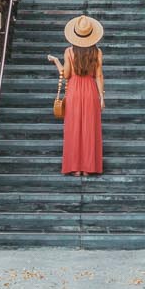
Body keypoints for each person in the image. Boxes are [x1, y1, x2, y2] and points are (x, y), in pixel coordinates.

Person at [54, 15, 104, 176]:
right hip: (90, 90)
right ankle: (89, 168)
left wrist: (56, 61)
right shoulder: (97, 52)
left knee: (74, 127)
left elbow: (67, 74)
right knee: (90, 127)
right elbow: (99, 75)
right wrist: (102, 96)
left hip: (74, 90)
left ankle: (75, 168)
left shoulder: (68, 51)